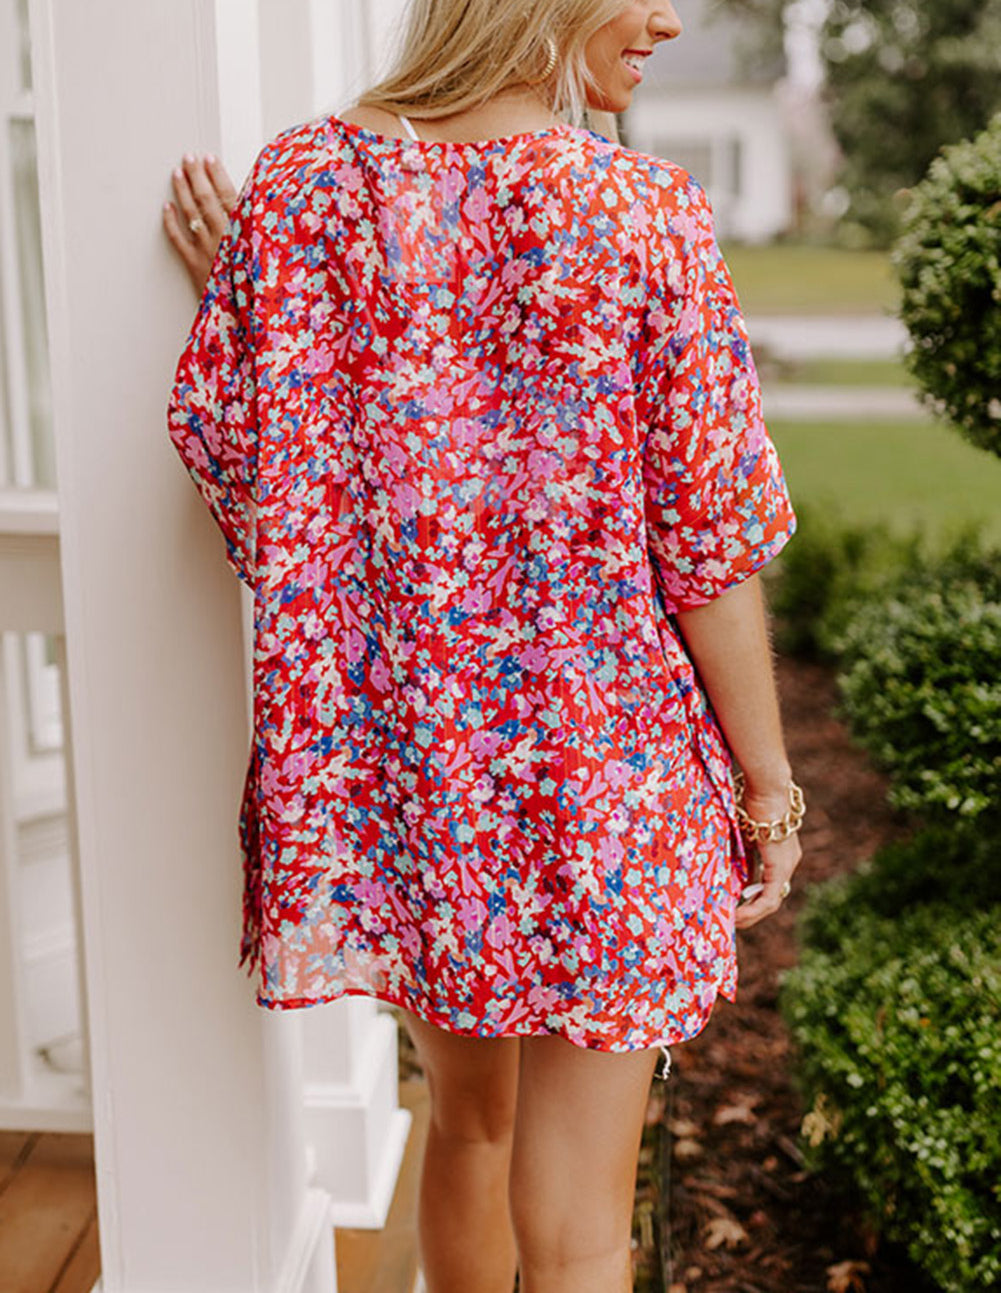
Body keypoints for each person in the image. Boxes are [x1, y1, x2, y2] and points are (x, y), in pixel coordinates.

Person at [164, 3, 804, 1290]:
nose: (668, 21)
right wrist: (767, 784)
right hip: (603, 788)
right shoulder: (643, 218)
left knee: (467, 1124)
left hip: (424, 785)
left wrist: (275, 294)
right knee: (577, 1238)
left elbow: (256, 468)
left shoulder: (303, 192)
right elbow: (712, 549)